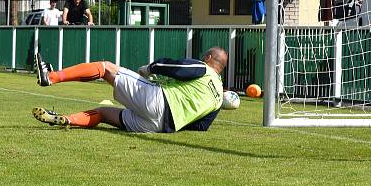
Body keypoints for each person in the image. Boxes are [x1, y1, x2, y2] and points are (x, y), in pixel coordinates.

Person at [31, 47, 228, 133]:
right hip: (161, 126)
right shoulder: (219, 96)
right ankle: (66, 119)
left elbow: (177, 68)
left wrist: (151, 68)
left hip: (158, 100)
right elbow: (201, 127)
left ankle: (50, 77)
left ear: (209, 58)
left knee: (105, 67)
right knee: (102, 113)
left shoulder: (204, 69)